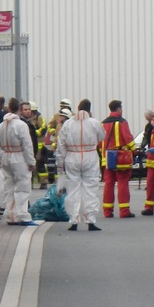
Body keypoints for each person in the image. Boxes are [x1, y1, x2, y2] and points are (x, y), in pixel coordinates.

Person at [57, 99, 106, 231]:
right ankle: (90, 220)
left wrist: (60, 165)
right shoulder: (94, 123)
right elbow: (102, 136)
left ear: (78, 108)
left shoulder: (67, 124)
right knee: (90, 189)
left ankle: (74, 220)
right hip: (90, 155)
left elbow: (61, 145)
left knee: (73, 189)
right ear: (90, 109)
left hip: (72, 157)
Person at [0, 97, 37, 225]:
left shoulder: (1, 126)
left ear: (9, 108)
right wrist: (31, 162)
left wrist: (2, 157)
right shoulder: (21, 125)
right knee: (22, 187)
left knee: (8, 187)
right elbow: (27, 145)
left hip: (6, 156)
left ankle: (10, 215)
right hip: (19, 157)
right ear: (19, 110)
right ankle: (22, 215)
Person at [101, 99, 136, 219]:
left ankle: (107, 211)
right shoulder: (122, 122)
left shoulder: (103, 123)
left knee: (108, 184)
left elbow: (100, 142)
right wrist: (134, 150)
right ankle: (124, 211)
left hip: (107, 157)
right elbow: (128, 139)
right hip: (121, 157)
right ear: (118, 109)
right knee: (122, 183)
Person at [42, 108, 69, 186]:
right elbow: (57, 137)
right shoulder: (59, 125)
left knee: (65, 168)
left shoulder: (68, 126)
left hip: (66, 150)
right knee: (58, 167)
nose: (59, 117)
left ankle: (64, 184)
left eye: (62, 116)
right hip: (58, 149)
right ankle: (59, 184)